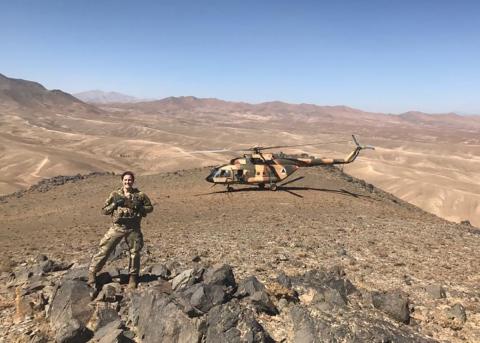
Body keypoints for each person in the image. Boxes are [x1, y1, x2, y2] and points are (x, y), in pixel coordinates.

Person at [88, 171, 153, 289]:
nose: (127, 182)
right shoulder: (115, 194)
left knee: (135, 253)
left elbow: (150, 208)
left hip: (134, 228)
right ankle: (92, 273)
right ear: (122, 181)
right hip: (117, 227)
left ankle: (133, 278)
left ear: (133, 181)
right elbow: (104, 210)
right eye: (125, 180)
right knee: (105, 249)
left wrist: (140, 207)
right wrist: (114, 204)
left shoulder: (140, 195)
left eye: (130, 180)